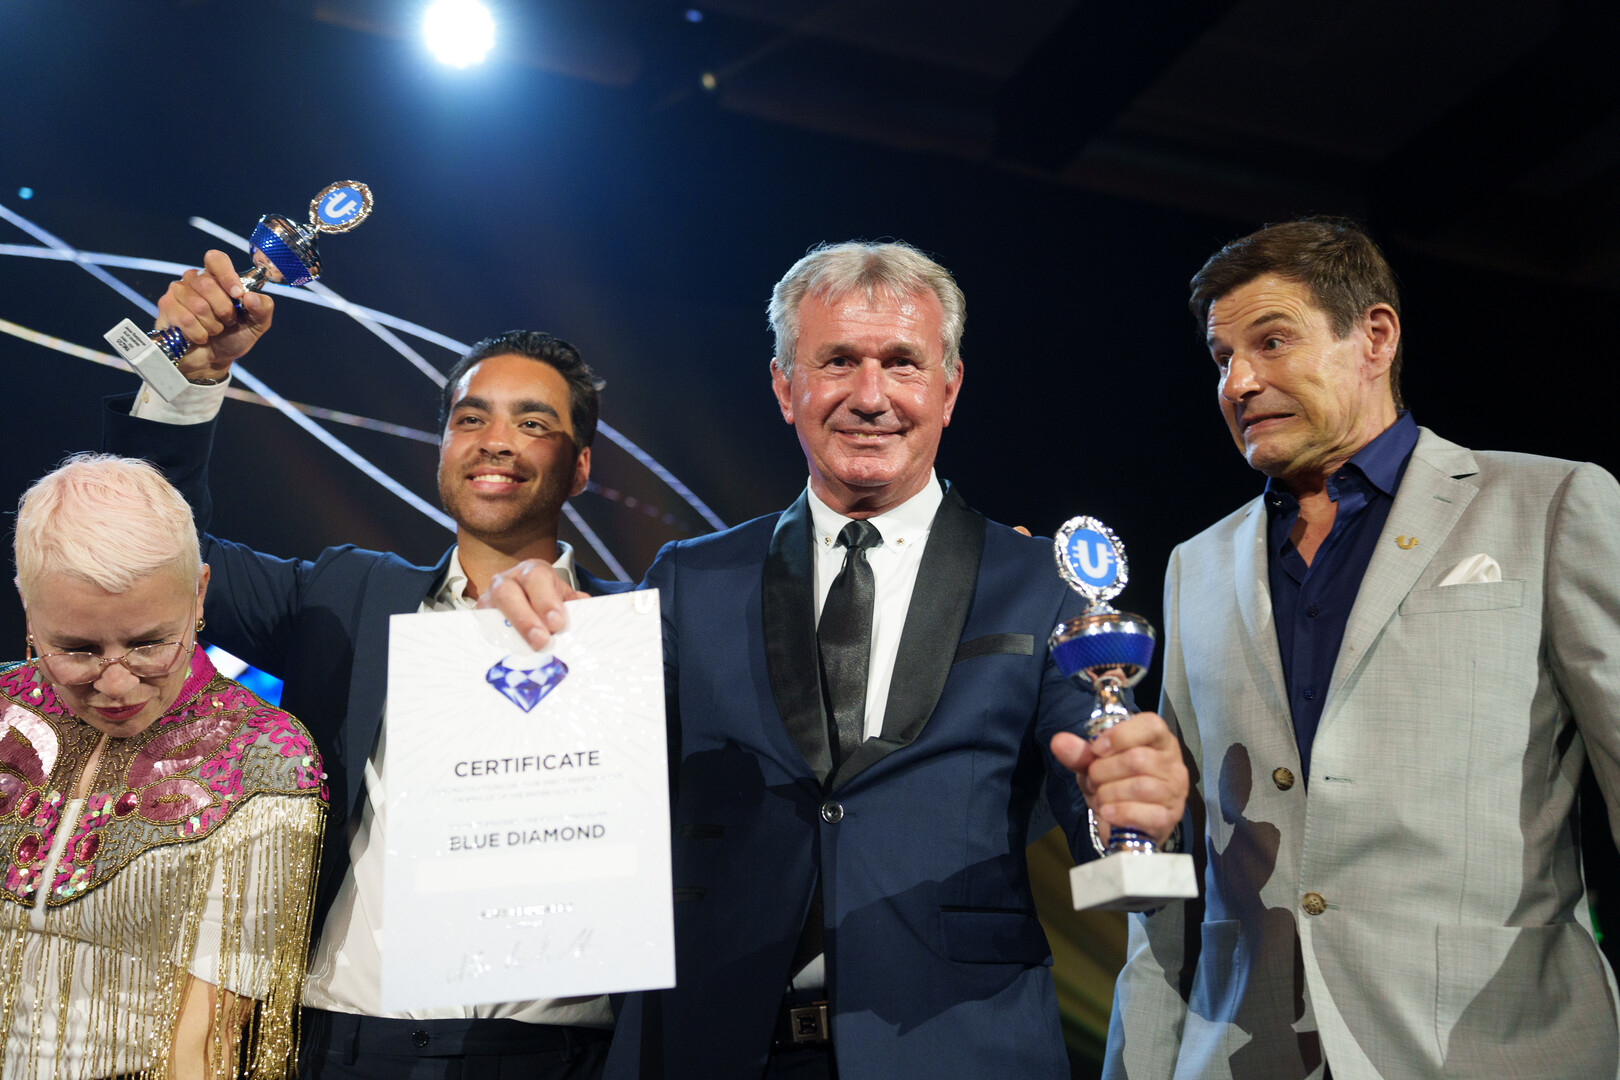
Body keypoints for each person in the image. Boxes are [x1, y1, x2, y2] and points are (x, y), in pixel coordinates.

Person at [485, 240, 1190, 1079]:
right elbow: (588, 788)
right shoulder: (688, 579)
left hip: (955, 1045)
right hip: (713, 1047)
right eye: (838, 361)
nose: (871, 395)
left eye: (903, 363)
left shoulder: (1041, 583)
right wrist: (534, 631)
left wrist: (1133, 810)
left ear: (949, 388)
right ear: (785, 387)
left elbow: (1101, 806)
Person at [1103, 218, 1620, 1079]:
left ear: (1375, 337)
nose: (1239, 382)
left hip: (1491, 1052)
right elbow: (1174, 854)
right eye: (1222, 359)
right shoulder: (1196, 566)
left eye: (1271, 342)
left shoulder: (1549, 505)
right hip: (1248, 1055)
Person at [100, 252, 626, 1079]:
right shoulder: (344, 596)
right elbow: (156, 559)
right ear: (444, 447)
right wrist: (188, 385)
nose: (496, 440)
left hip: (560, 1056)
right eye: (471, 418)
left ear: (582, 465)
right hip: (344, 1045)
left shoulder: (632, 635)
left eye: (534, 423)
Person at [1, 453, 326, 1080]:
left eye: (149, 643)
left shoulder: (261, 759)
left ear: (199, 593)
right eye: (77, 650)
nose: (117, 683)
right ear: (27, 608)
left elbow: (202, 1048)